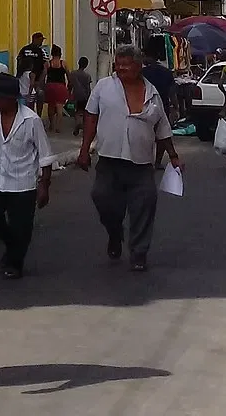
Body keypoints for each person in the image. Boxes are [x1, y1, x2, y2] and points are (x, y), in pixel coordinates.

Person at [77, 46, 179, 270]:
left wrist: (172, 155)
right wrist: (84, 150)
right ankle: (115, 233)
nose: (121, 68)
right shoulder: (104, 87)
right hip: (109, 159)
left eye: (126, 64)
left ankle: (139, 253)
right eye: (118, 63)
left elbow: (162, 127)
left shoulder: (152, 92)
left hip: (141, 163)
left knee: (144, 205)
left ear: (138, 65)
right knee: (101, 198)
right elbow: (91, 117)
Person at [0, 74, 53, 280]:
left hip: (23, 183)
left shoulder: (31, 120)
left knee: (21, 226)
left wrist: (44, 186)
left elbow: (45, 156)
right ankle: (12, 245)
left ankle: (15, 263)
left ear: (10, 98)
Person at [141, 38, 177, 128]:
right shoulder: (166, 72)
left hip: (146, 110)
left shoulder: (141, 73)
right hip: (163, 109)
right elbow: (172, 93)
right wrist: (176, 108)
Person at [42, 46, 70, 135]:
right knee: (59, 107)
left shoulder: (48, 64)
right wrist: (70, 84)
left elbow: (44, 75)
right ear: (60, 54)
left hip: (50, 86)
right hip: (60, 86)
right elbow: (68, 75)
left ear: (51, 54)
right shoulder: (63, 63)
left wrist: (42, 85)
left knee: (50, 106)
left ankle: (51, 125)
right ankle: (58, 127)